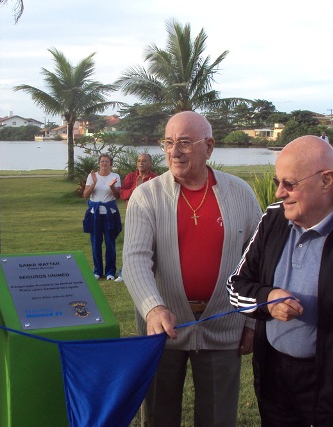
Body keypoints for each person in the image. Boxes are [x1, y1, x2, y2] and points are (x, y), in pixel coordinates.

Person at [227, 135, 333, 427]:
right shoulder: (272, 220)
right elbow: (236, 286)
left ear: (326, 180)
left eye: (290, 184)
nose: (280, 192)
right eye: (276, 182)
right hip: (275, 381)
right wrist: (268, 299)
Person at [123, 111, 262, 427]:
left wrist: (252, 322)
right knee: (158, 416)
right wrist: (154, 309)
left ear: (209, 146)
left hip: (223, 325)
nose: (174, 151)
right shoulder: (147, 196)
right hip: (162, 330)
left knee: (218, 418)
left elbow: (258, 262)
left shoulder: (240, 193)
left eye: (185, 142)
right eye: (168, 142)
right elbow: (134, 260)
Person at [115, 152, 158, 282]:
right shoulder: (131, 177)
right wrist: (137, 188)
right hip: (133, 214)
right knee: (130, 242)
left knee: (149, 244)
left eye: (144, 161)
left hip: (149, 216)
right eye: (139, 160)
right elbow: (122, 195)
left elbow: (156, 198)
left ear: (150, 163)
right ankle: (124, 272)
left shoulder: (155, 179)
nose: (141, 163)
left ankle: (148, 272)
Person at [83, 153, 122, 281]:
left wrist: (111, 187)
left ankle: (110, 271)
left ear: (110, 164)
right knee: (96, 243)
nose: (104, 164)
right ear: (99, 163)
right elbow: (85, 195)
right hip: (95, 214)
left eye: (107, 161)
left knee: (110, 243)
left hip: (109, 214)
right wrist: (94, 183)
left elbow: (117, 196)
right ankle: (97, 271)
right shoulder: (92, 176)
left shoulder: (115, 176)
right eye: (102, 161)